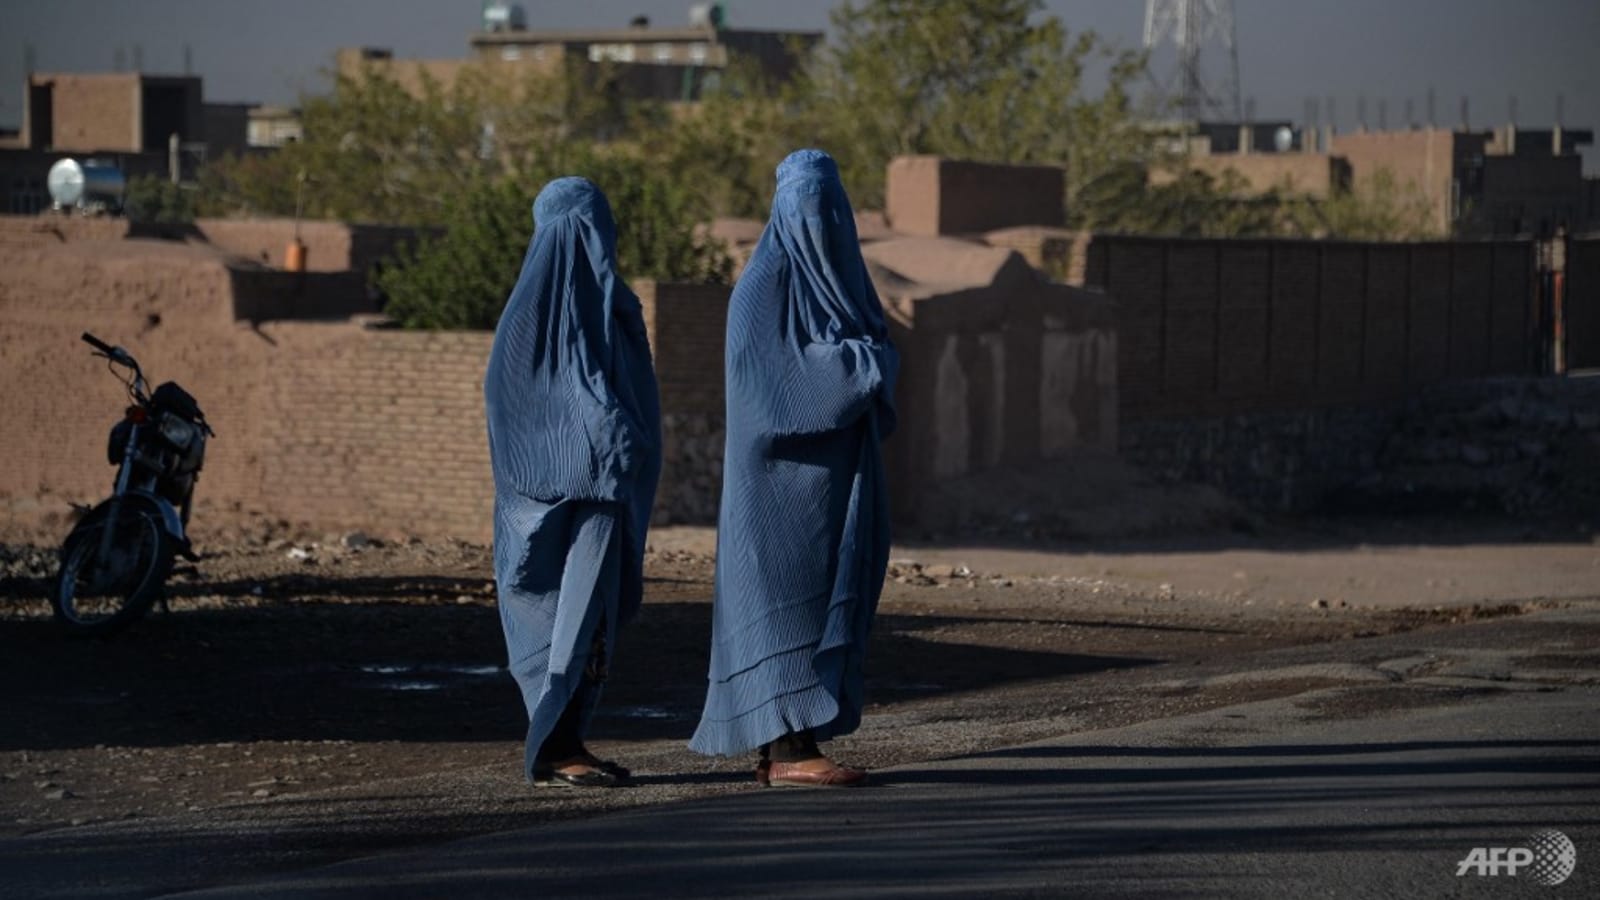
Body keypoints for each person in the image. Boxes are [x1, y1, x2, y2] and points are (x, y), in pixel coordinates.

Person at [689, 149, 898, 787]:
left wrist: (866, 361)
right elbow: (777, 391)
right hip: (773, 493)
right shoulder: (759, 292)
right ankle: (787, 752)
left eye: (830, 208)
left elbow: (877, 352)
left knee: (822, 602)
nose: (821, 222)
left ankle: (791, 743)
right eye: (807, 207)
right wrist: (864, 366)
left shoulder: (846, 285)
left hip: (833, 486)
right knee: (782, 607)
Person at [484, 177, 661, 788]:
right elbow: (527, 412)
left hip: (601, 500)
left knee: (590, 624)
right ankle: (556, 747)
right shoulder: (528, 321)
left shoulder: (607, 310)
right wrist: (606, 441)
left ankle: (567, 743)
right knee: (554, 619)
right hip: (545, 507)